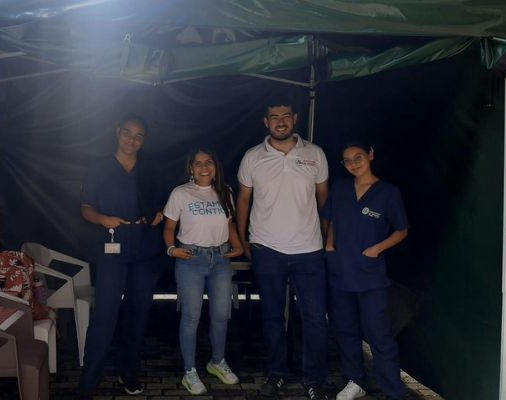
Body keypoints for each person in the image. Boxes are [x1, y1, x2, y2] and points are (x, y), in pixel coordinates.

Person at [236, 97, 330, 400]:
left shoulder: (315, 154)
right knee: (273, 315)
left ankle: (314, 378)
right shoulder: (252, 157)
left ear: (295, 118)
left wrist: (326, 240)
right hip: (267, 248)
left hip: (309, 249)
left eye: (285, 116)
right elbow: (243, 201)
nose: (280, 121)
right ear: (266, 122)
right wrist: (243, 240)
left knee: (315, 316)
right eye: (274, 117)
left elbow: (323, 201)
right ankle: (277, 374)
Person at [78, 114, 164, 398]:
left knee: (138, 314)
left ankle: (128, 374)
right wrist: (103, 219)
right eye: (128, 133)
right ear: (117, 132)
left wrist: (158, 216)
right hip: (112, 249)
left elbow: (164, 206)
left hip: (145, 249)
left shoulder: (150, 169)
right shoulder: (100, 169)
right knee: (104, 315)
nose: (132, 140)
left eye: (139, 136)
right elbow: (86, 208)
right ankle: (89, 381)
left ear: (144, 140)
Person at [323, 143, 409, 400]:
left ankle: (394, 391)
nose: (353, 164)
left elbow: (401, 230)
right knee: (345, 332)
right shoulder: (340, 188)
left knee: (379, 336)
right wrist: (329, 245)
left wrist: (377, 249)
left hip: (370, 277)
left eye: (358, 157)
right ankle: (355, 381)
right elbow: (330, 219)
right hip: (340, 274)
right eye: (347, 160)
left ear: (371, 155)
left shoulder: (388, 193)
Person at [162, 149, 244, 394]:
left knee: (221, 314)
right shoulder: (180, 193)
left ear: (215, 166)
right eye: (198, 163)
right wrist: (171, 249)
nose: (203, 167)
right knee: (191, 317)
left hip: (220, 259)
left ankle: (217, 361)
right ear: (191, 168)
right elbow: (169, 227)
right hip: (191, 260)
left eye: (209, 162)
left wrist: (238, 244)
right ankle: (190, 371)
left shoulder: (225, 191)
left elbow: (229, 224)